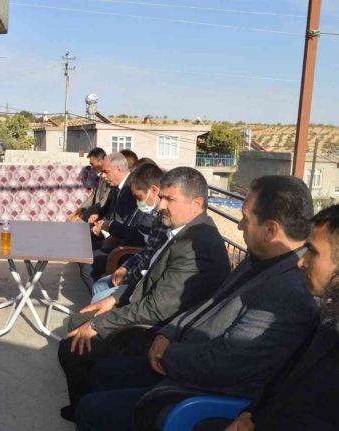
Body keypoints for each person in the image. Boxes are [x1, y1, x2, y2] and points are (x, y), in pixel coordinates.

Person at [75, 175, 318, 431]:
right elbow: (209, 303)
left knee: (92, 409)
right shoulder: (260, 259)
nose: (239, 226)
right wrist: (169, 333)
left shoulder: (288, 293)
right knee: (103, 373)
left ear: (270, 230)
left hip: (200, 392)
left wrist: (168, 353)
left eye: (245, 219)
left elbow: (226, 363)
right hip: (182, 356)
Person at [60, 167, 231, 421]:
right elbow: (148, 277)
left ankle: (87, 408)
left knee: (73, 345)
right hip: (146, 312)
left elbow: (157, 308)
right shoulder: (183, 231)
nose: (160, 205)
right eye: (161, 197)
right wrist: (113, 298)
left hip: (159, 331)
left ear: (197, 203)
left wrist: (99, 324)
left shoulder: (198, 245)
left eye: (169, 199)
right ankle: (86, 403)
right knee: (77, 322)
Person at [221, 204, 339, 431]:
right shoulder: (325, 318)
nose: (301, 262)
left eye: (313, 251)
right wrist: (249, 415)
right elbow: (281, 380)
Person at [84, 162, 168, 297]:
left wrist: (110, 227)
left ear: (154, 190)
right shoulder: (156, 214)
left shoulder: (163, 217)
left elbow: (143, 241)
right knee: (97, 284)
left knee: (95, 281)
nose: (103, 176)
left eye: (139, 197)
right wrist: (126, 268)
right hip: (129, 257)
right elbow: (147, 250)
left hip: (130, 256)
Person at [91, 152, 137, 236]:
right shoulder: (116, 186)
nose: (103, 176)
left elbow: (124, 223)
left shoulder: (131, 188)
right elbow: (111, 212)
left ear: (119, 169)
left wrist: (103, 229)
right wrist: (101, 224)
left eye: (106, 172)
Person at [68, 148, 110, 223]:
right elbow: (94, 195)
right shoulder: (101, 174)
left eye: (92, 164)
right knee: (70, 220)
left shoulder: (110, 176)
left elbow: (105, 201)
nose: (92, 167)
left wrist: (84, 215)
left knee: (77, 222)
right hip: (94, 211)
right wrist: (80, 209)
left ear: (100, 161)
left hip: (102, 214)